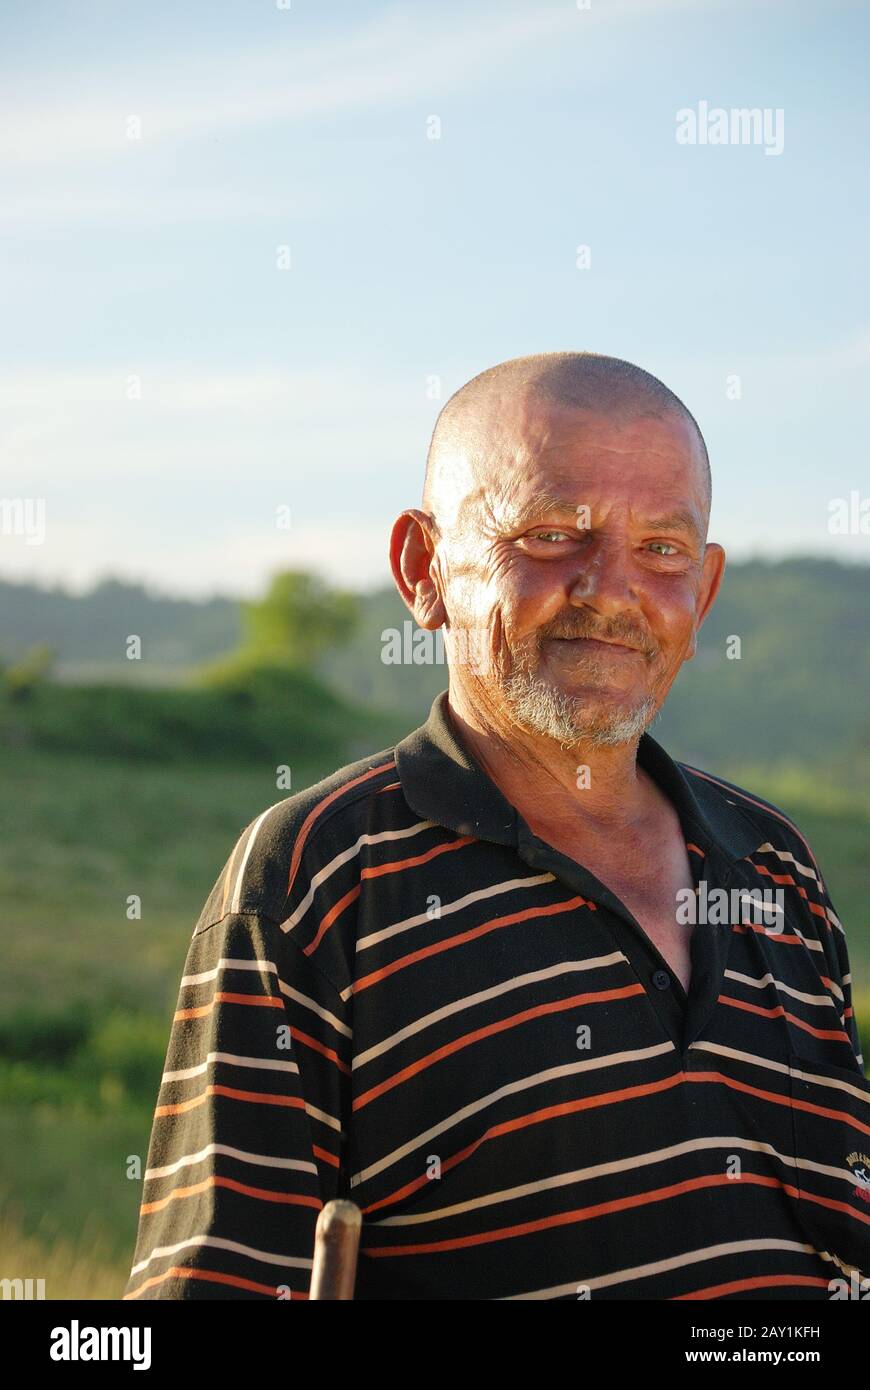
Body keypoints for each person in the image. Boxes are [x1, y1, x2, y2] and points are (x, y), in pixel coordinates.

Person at [123, 352, 870, 1301]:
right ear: (423, 569)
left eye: (663, 549)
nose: (611, 589)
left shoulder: (774, 867)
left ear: (705, 592)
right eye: (555, 534)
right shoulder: (319, 882)